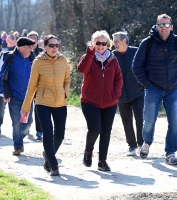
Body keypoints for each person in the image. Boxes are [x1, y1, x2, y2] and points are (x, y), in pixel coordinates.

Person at [132, 14, 177, 165]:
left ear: (171, 27)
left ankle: (170, 153)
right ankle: (146, 143)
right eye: (161, 25)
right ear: (156, 26)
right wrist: (148, 84)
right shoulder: (147, 43)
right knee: (149, 120)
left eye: (166, 25)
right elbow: (136, 67)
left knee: (175, 122)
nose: (164, 28)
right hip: (153, 89)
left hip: (173, 89)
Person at [21, 35, 70, 176]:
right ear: (45, 47)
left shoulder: (63, 60)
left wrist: (65, 93)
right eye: (51, 45)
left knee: (59, 136)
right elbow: (32, 86)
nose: (55, 48)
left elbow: (67, 80)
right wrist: (25, 108)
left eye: (57, 45)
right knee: (48, 133)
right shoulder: (38, 62)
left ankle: (48, 157)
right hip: (43, 103)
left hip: (60, 102)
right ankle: (54, 165)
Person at [77, 30, 123, 171]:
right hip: (89, 101)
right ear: (92, 43)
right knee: (95, 129)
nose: (101, 46)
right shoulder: (88, 57)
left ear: (107, 44)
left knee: (106, 131)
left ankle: (102, 161)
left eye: (104, 43)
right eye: (98, 43)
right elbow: (81, 69)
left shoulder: (113, 59)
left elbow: (119, 78)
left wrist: (115, 95)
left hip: (110, 102)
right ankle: (88, 151)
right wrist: (90, 53)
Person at [0, 37, 36, 156]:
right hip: (14, 97)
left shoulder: (32, 58)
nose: (31, 49)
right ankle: (18, 146)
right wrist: (5, 92)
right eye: (28, 47)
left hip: (29, 97)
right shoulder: (11, 58)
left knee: (28, 122)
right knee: (16, 122)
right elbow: (2, 76)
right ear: (21, 48)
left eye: (31, 46)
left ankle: (19, 137)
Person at [112, 32, 144, 156]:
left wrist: (143, 84)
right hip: (121, 95)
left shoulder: (137, 52)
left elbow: (145, 68)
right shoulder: (112, 55)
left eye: (116, 41)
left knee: (140, 119)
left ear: (124, 40)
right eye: (113, 41)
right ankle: (132, 146)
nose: (114, 44)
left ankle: (142, 145)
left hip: (137, 93)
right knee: (126, 121)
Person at [27, 31, 44, 140]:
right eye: (30, 40)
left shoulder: (43, 52)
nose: (32, 42)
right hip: (26, 84)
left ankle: (39, 130)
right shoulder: (23, 52)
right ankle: (26, 127)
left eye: (34, 40)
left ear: (38, 41)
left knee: (38, 109)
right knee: (26, 107)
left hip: (40, 84)